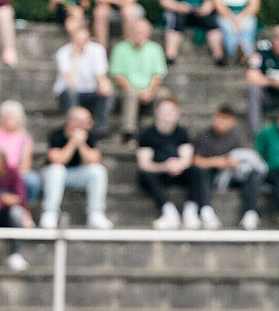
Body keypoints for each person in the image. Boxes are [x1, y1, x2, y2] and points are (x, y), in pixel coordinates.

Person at [137, 97, 208, 230]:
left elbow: (187, 158)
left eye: (171, 111)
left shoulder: (182, 133)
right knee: (145, 175)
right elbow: (144, 164)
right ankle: (168, 211)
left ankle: (191, 210)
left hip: (179, 173)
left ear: (177, 113)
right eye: (164, 111)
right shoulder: (147, 134)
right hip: (158, 174)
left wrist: (178, 165)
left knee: (197, 171)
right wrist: (164, 166)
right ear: (157, 112)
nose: (167, 115)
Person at [192, 105, 266, 230]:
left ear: (232, 122)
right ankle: (206, 209)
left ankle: (251, 213)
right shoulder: (204, 135)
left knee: (252, 174)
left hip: (230, 176)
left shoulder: (235, 138)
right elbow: (196, 161)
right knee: (200, 172)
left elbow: (238, 159)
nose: (221, 122)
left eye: (226, 119)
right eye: (220, 118)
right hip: (210, 176)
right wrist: (219, 161)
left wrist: (233, 164)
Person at [38, 106, 113, 230]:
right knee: (57, 170)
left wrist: (82, 144)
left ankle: (96, 213)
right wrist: (73, 142)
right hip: (53, 175)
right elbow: (57, 159)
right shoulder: (56, 134)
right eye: (86, 121)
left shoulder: (89, 135)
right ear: (73, 123)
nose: (90, 123)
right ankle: (50, 212)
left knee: (98, 171)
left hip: (76, 175)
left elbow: (94, 159)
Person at [109, 18, 167, 146]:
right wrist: (133, 89)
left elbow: (158, 74)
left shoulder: (155, 49)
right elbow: (117, 75)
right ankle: (128, 133)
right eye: (135, 31)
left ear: (147, 34)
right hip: (127, 89)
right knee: (130, 94)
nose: (138, 35)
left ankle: (160, 130)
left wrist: (149, 91)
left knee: (164, 94)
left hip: (150, 89)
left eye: (141, 32)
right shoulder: (120, 48)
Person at [53, 25, 112, 136]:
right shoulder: (63, 53)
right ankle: (74, 126)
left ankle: (100, 129)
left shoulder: (97, 50)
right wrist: (76, 58)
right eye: (78, 40)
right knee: (71, 92)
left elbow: (100, 75)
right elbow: (69, 81)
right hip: (68, 92)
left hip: (90, 91)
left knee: (106, 90)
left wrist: (103, 85)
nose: (81, 43)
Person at [0, 100, 41, 202]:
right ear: (2, 118)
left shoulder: (25, 137)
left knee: (33, 180)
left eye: (14, 117)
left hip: (16, 173)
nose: (10, 120)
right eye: (8, 117)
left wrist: (14, 176)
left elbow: (26, 163)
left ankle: (26, 205)